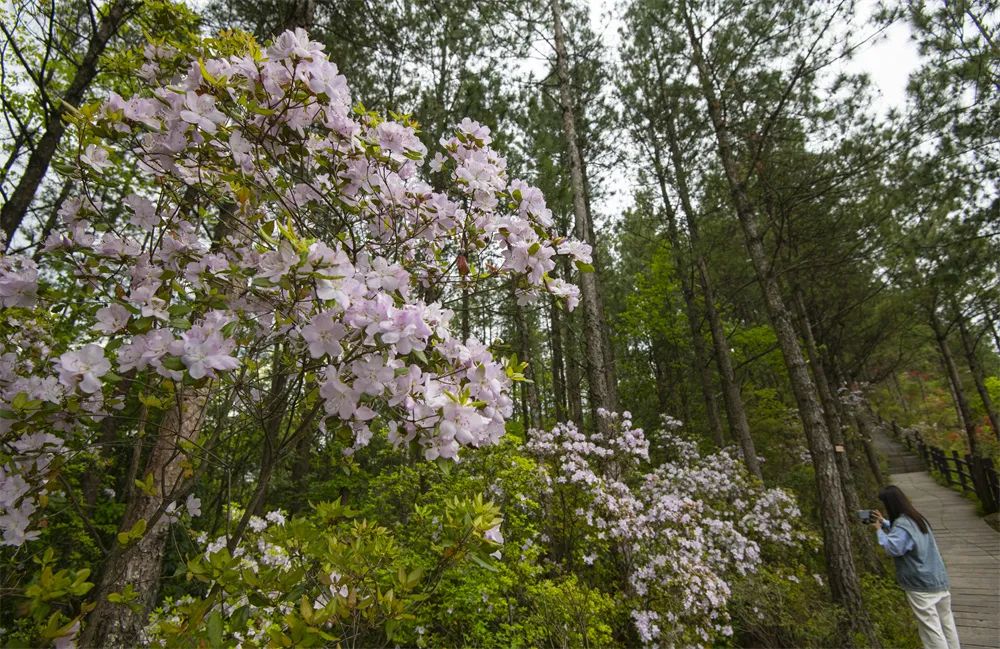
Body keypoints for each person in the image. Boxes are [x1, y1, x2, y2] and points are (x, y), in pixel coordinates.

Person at [871, 485, 961, 649]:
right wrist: (884, 522)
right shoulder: (917, 518)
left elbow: (893, 548)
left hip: (920, 584)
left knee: (931, 630)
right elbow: (905, 536)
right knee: (947, 624)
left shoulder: (902, 525)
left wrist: (879, 530)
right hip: (938, 579)